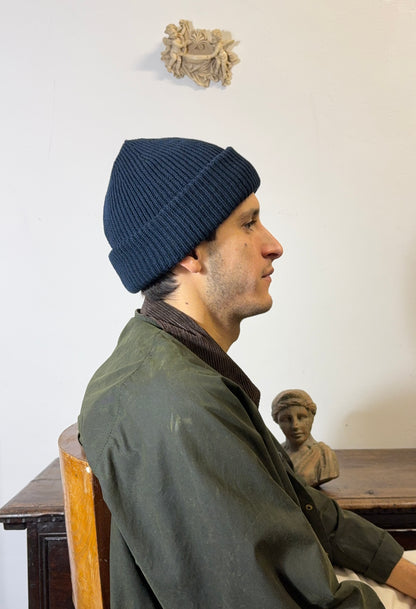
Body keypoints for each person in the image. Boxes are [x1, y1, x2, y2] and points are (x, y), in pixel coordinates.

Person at [78, 137, 416, 608]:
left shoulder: (165, 364)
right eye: (248, 223)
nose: (274, 246)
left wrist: (404, 572)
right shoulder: (182, 408)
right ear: (190, 252)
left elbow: (300, 505)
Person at [272, 388, 339, 487]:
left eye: (301, 417)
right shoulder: (275, 453)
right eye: (287, 419)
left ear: (311, 418)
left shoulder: (325, 456)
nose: (295, 425)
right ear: (278, 422)